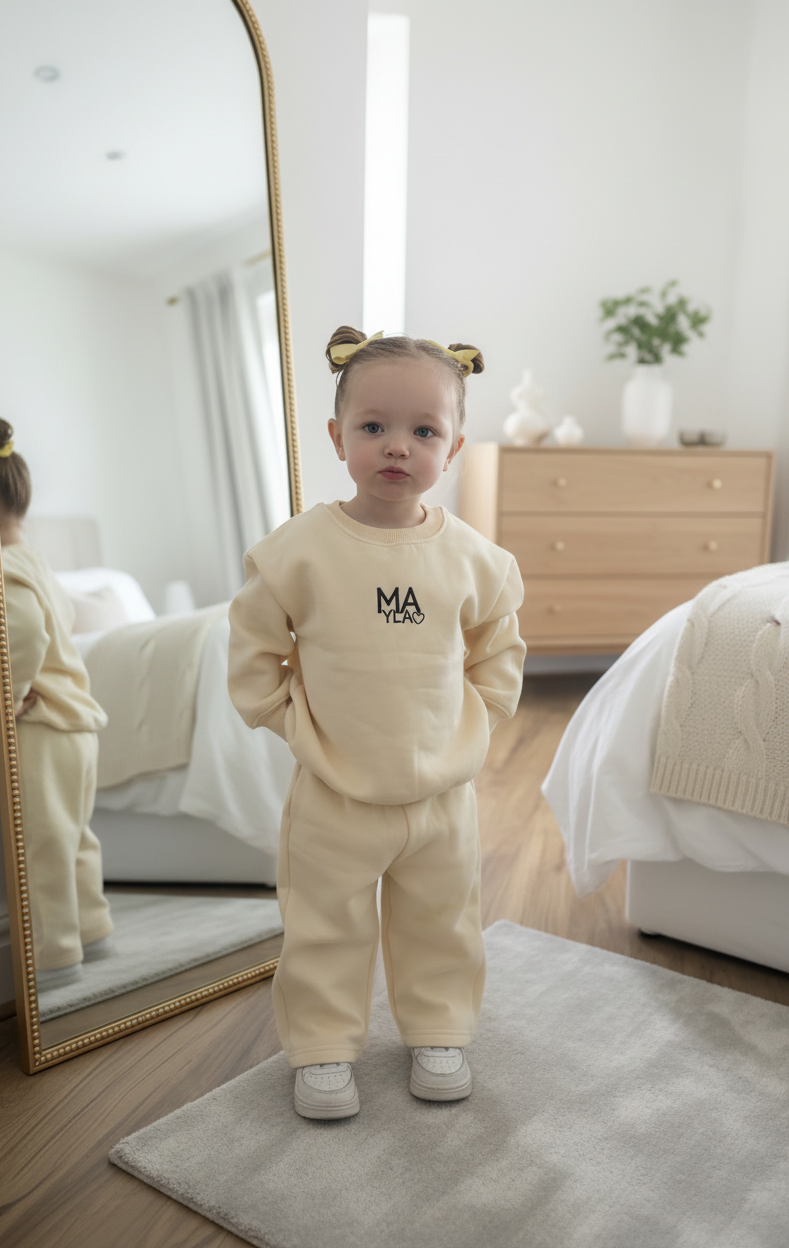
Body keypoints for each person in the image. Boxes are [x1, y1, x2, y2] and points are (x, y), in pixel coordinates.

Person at [228, 328, 525, 1118]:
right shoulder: (298, 551)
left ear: (453, 446)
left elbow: (500, 645)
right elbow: (256, 647)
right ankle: (323, 1048)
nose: (398, 446)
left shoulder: (476, 559)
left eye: (423, 431)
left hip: (440, 795)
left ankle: (438, 1029)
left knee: (444, 920)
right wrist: (287, 721)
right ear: (338, 437)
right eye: (374, 427)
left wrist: (484, 714)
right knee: (325, 927)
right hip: (335, 792)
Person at [0, 417, 114, 991]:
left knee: (44, 842)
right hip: (80, 723)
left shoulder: (0, 570)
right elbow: (56, 622)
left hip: (42, 724)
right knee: (76, 835)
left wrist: (9, 694)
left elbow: (23, 633)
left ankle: (57, 954)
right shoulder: (35, 560)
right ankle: (94, 928)